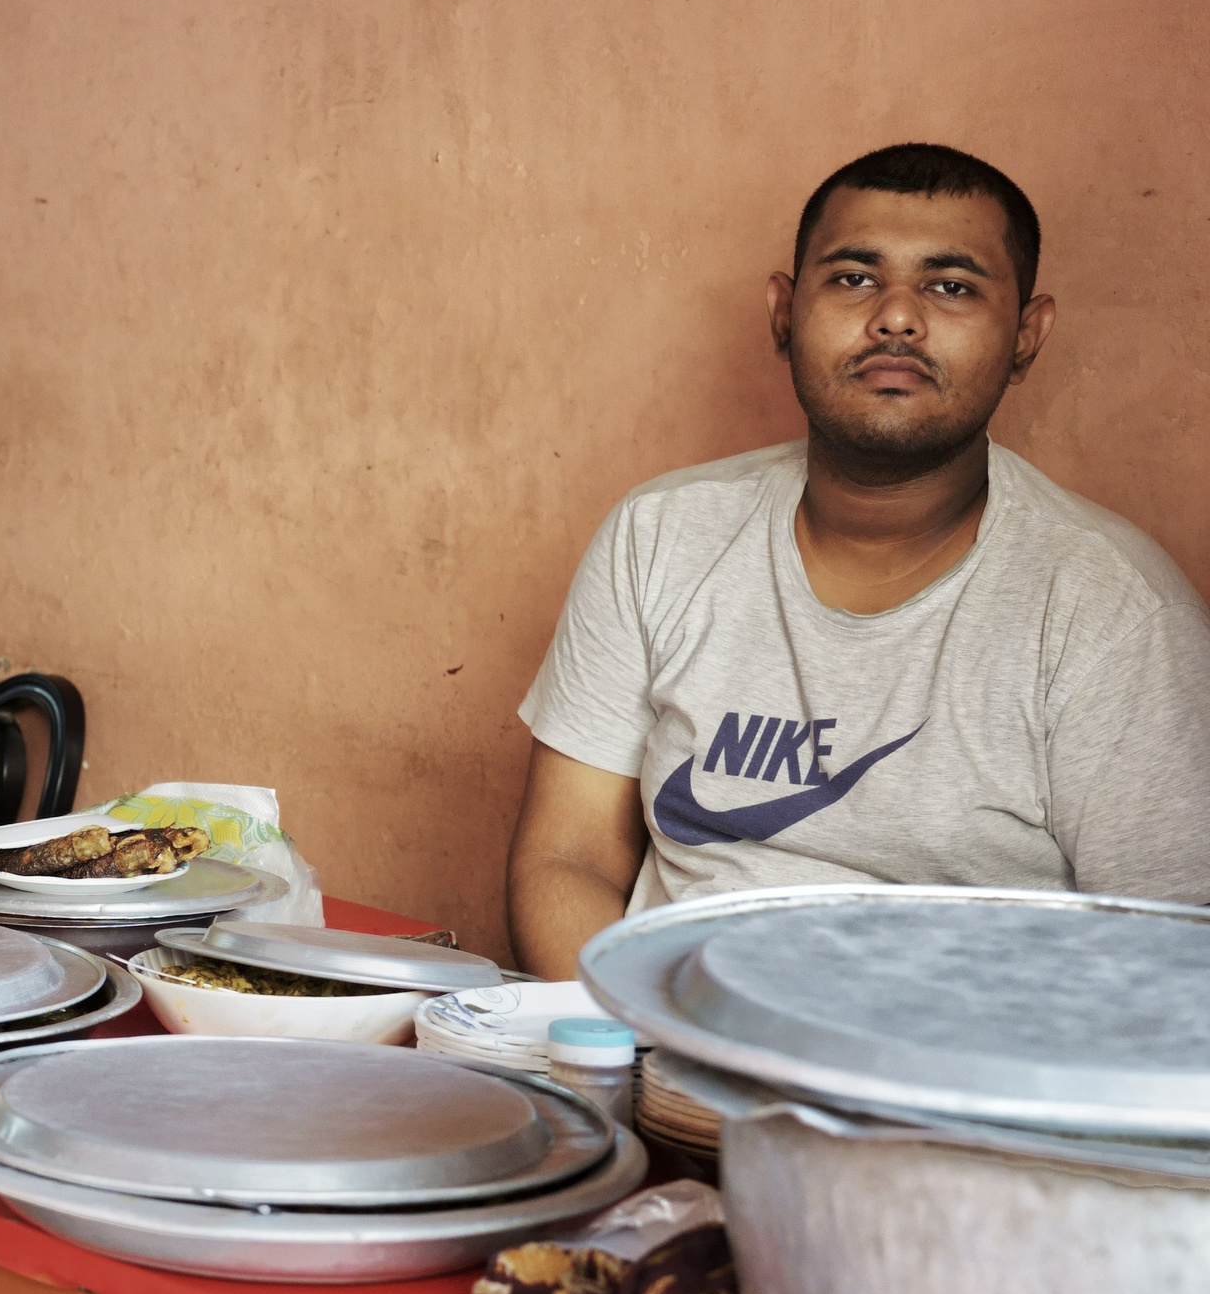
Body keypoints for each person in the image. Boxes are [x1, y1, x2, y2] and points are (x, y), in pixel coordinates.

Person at [507, 143, 1210, 979]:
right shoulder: (660, 536)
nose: (898, 317)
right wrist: (645, 1052)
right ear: (783, 311)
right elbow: (568, 856)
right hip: (660, 1055)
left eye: (951, 286)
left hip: (942, 1095)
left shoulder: (1112, 610)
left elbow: (1170, 964)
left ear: (1028, 335)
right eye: (853, 277)